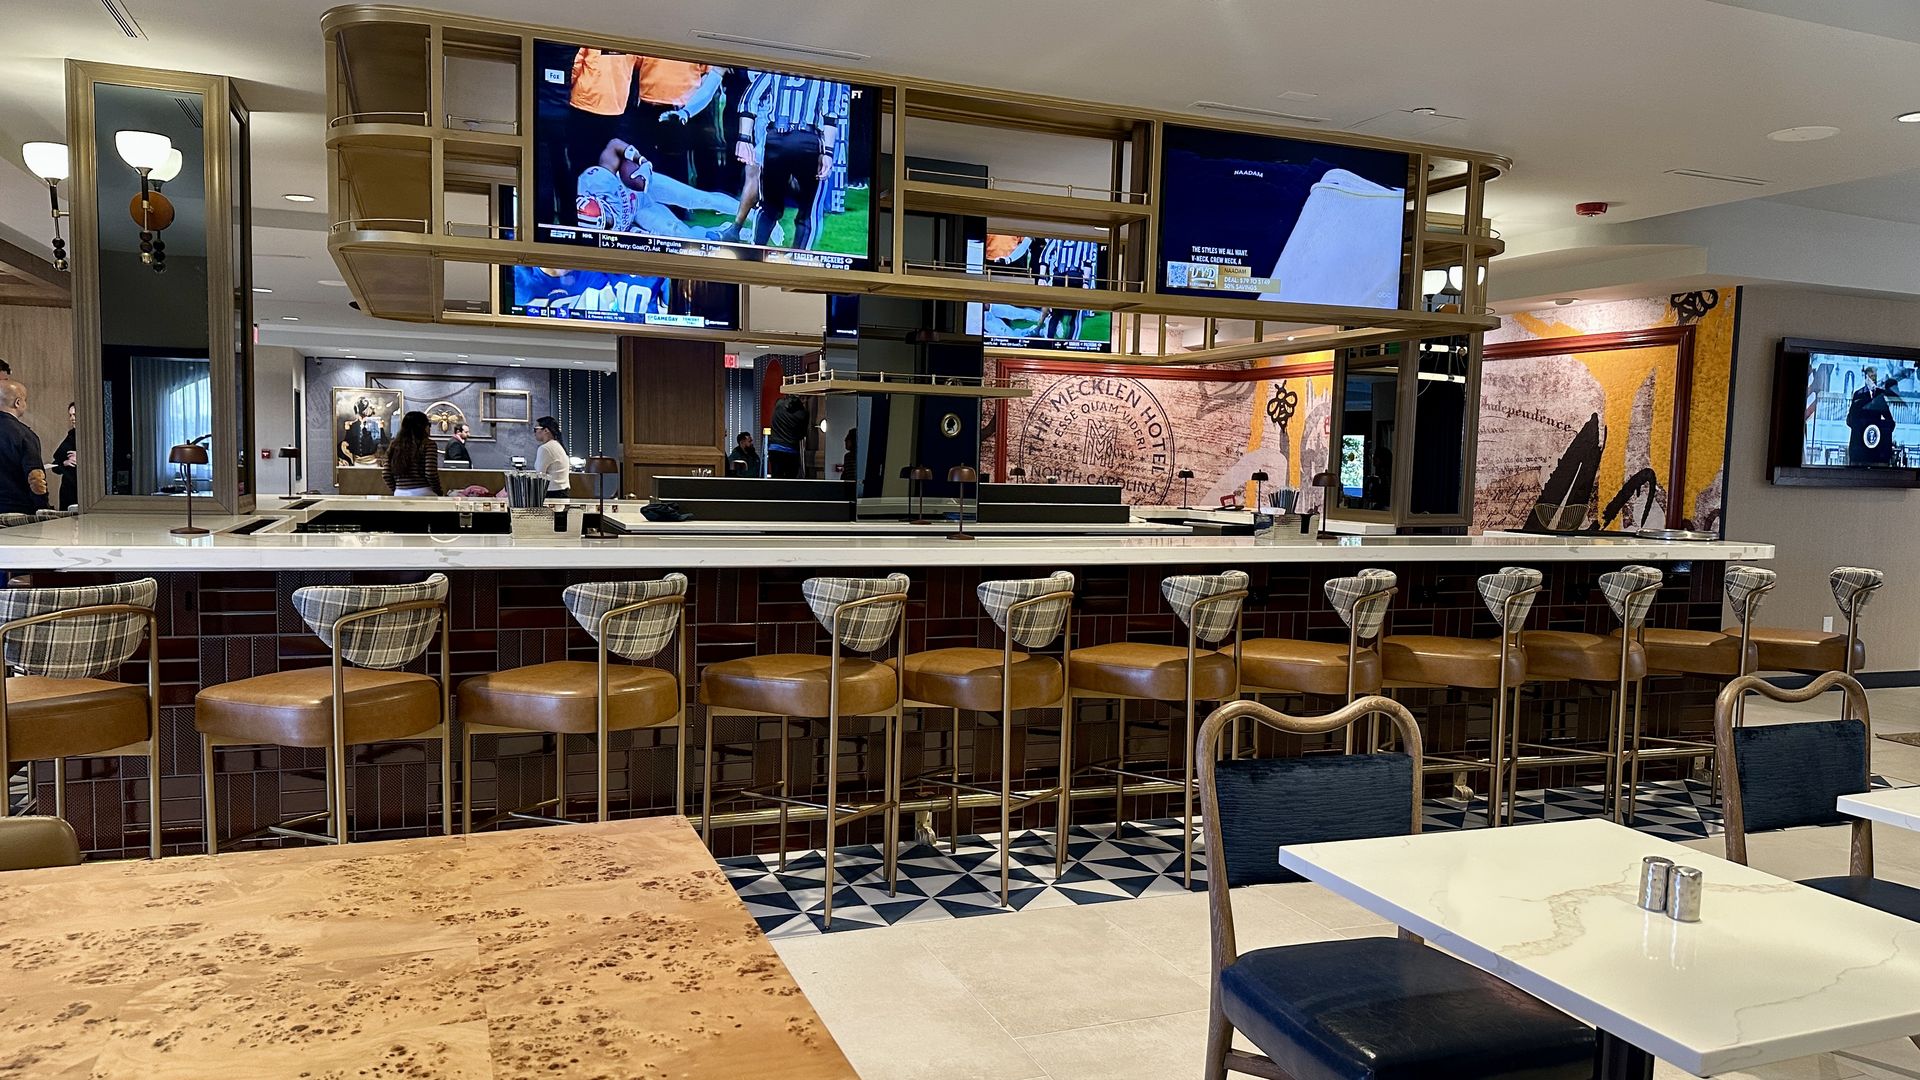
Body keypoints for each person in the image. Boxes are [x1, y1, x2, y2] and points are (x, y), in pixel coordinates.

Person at [727, 72, 848, 250]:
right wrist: (828, 152)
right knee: (808, 212)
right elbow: (830, 112)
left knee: (769, 207)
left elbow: (750, 98)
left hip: (776, 139)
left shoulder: (777, 67)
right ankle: (798, 260)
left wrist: (744, 138)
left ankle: (754, 255)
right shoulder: (826, 71)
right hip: (808, 140)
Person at [0, 380, 48, 515]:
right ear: (18, 402)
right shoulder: (24, 435)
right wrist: (43, 507)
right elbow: (35, 478)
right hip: (16, 512)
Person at [380, 411, 443, 498]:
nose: (430, 428)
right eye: (429, 424)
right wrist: (438, 491)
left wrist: (397, 489)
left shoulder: (394, 445)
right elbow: (430, 472)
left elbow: (386, 474)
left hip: (399, 493)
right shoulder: (428, 444)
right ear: (422, 427)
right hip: (423, 492)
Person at [767, 396, 810, 479]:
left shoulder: (779, 404)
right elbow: (802, 434)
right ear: (803, 398)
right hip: (791, 451)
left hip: (775, 448)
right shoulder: (803, 413)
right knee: (790, 482)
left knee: (776, 480)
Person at [338, 396, 388, 466]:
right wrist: (348, 431)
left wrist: (381, 429)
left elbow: (384, 443)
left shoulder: (375, 425)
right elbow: (348, 444)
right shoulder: (352, 425)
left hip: (372, 462)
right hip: (357, 462)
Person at [534, 415, 572, 495]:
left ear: (546, 430)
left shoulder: (545, 448)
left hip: (551, 494)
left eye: (536, 429)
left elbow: (540, 475)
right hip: (562, 492)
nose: (535, 433)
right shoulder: (557, 445)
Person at [51, 401, 75, 511]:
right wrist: (64, 462)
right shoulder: (71, 436)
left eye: (75, 415)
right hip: (69, 487)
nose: (72, 418)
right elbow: (55, 464)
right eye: (70, 415)